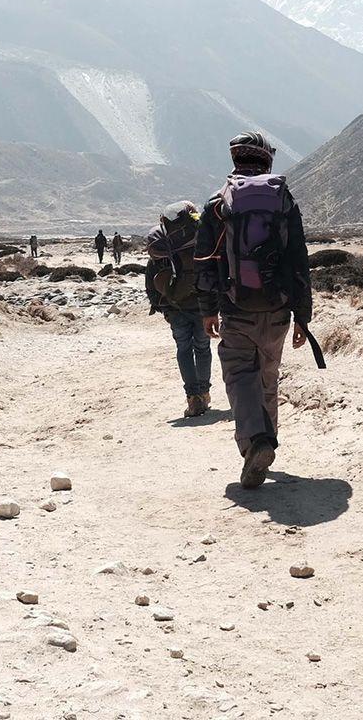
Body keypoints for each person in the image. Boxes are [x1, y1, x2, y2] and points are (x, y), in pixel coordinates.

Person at [194, 131, 315, 488]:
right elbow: (298, 260)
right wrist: (302, 316)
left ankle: (256, 443)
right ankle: (267, 441)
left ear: (235, 160)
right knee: (267, 376)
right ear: (267, 160)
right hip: (278, 310)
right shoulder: (283, 201)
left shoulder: (218, 203)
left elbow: (204, 261)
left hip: (236, 308)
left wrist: (207, 309)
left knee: (239, 375)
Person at [145, 201, 212, 418]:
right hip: (201, 304)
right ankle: (205, 392)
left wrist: (158, 304)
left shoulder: (163, 243)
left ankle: (193, 399)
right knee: (202, 348)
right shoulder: (199, 237)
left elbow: (151, 277)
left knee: (183, 349)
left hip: (174, 306)